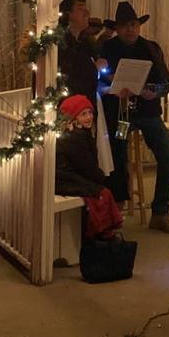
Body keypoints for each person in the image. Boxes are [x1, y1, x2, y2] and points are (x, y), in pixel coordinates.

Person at [99, 1, 169, 234]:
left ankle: (161, 211)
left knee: (168, 157)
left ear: (139, 26)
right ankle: (116, 209)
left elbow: (167, 82)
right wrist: (112, 83)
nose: (130, 29)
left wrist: (154, 91)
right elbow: (97, 78)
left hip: (148, 113)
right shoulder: (107, 48)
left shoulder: (151, 48)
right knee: (117, 155)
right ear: (117, 28)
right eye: (125, 26)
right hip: (121, 113)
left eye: (133, 24)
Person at [57, 0, 114, 175]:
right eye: (81, 8)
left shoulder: (83, 42)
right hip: (70, 112)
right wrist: (95, 69)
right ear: (67, 14)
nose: (87, 11)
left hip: (87, 108)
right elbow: (70, 75)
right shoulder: (60, 43)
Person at [56, 94, 122, 239]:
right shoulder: (75, 138)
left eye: (90, 112)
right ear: (73, 118)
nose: (89, 117)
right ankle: (100, 232)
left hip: (71, 176)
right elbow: (85, 166)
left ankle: (103, 230)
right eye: (83, 114)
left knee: (102, 191)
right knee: (102, 193)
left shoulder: (79, 134)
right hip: (65, 180)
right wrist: (99, 178)